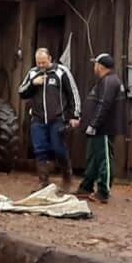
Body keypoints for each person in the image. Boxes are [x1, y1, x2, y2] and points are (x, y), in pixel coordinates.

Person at [18, 47, 81, 189]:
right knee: (40, 149)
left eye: (43, 63)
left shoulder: (61, 72)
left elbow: (73, 93)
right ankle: (43, 181)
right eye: (38, 63)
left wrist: (75, 115)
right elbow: (21, 91)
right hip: (37, 118)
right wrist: (33, 83)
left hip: (57, 118)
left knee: (58, 148)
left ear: (50, 59)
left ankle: (67, 176)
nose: (41, 66)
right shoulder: (33, 73)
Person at [77, 53, 127, 204]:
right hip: (98, 128)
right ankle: (86, 187)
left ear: (100, 66)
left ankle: (103, 191)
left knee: (104, 159)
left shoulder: (109, 82)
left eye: (95, 64)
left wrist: (94, 124)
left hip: (103, 128)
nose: (94, 67)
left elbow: (104, 105)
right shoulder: (105, 81)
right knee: (93, 158)